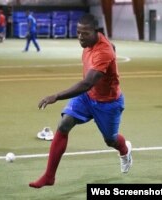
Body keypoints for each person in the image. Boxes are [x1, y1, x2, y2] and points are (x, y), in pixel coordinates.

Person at [29, 14, 132, 188]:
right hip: (87, 97)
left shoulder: (103, 51)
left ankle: (124, 149)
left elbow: (87, 83)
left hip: (108, 103)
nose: (80, 37)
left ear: (95, 32)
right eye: (78, 33)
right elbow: (88, 86)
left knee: (110, 140)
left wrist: (56, 96)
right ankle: (49, 177)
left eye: (85, 34)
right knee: (64, 124)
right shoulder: (90, 43)